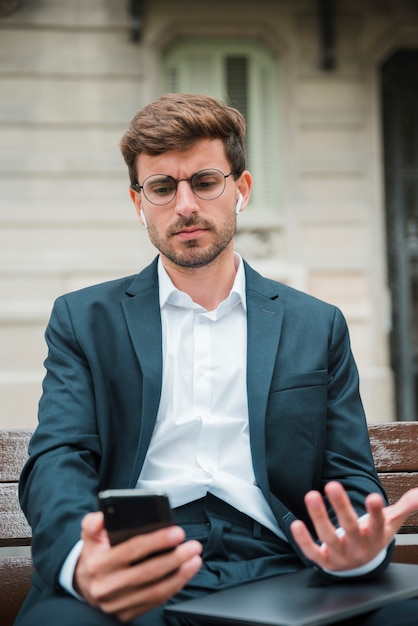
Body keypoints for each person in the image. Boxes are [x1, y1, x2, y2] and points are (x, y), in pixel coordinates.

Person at [16, 93, 418, 626]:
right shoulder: (83, 320)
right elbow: (58, 459)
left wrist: (353, 549)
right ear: (139, 204)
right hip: (139, 563)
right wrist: (81, 559)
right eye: (162, 188)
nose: (185, 206)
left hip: (283, 564)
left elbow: (349, 474)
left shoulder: (316, 324)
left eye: (205, 182)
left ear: (241, 190)